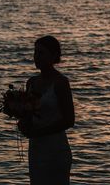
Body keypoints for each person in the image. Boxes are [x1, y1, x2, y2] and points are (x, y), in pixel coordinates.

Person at [19, 35, 75, 185]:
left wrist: (40, 132)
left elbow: (69, 120)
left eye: (41, 53)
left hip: (55, 147)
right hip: (36, 148)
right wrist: (23, 123)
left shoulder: (60, 82)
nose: (36, 57)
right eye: (35, 53)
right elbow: (28, 114)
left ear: (53, 56)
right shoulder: (31, 82)